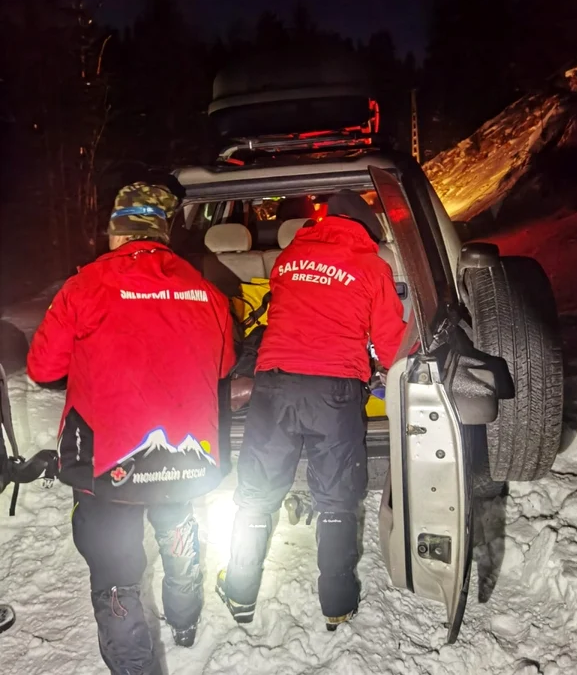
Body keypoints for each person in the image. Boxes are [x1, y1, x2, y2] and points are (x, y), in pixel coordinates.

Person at [27, 182, 236, 675]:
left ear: (116, 233)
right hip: (184, 456)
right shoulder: (205, 290)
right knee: (176, 527)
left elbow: (41, 368)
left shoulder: (85, 286)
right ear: (162, 232)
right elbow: (224, 365)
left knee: (117, 576)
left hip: (108, 462)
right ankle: (184, 622)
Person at [217, 189, 407, 631]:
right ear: (366, 230)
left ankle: (241, 591)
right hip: (334, 391)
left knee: (256, 496)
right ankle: (337, 602)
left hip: (274, 385)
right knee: (337, 498)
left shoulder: (289, 258)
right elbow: (392, 342)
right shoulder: (371, 267)